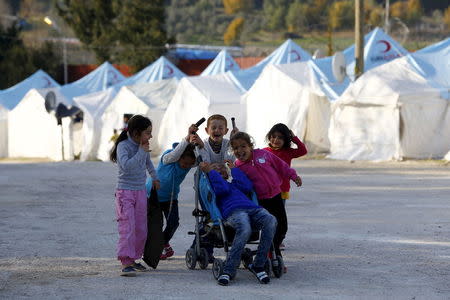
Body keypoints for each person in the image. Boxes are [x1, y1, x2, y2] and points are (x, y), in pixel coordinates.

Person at [199, 162, 277, 286]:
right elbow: (222, 189)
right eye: (214, 167)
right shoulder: (212, 185)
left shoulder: (233, 183)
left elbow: (248, 186)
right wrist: (210, 172)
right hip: (233, 211)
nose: (218, 168)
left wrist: (234, 170)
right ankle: (229, 269)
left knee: (271, 220)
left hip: (252, 208)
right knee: (245, 227)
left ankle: (258, 265)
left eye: (221, 167)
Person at [230, 131, 302, 263]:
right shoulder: (238, 166)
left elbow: (281, 166)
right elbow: (241, 186)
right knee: (269, 227)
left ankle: (271, 249)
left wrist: (293, 175)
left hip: (276, 196)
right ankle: (274, 256)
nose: (239, 150)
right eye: (235, 148)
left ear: (251, 146)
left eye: (243, 146)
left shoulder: (263, 154)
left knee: (282, 227)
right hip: (259, 201)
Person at [110, 115, 160, 277]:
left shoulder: (142, 145)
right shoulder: (124, 146)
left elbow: (147, 162)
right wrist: (141, 151)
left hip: (140, 192)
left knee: (140, 228)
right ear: (136, 133)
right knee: (128, 227)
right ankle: (126, 262)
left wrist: (154, 177)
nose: (150, 136)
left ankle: (133, 258)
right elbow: (127, 167)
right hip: (125, 193)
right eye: (148, 133)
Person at [145, 124, 198, 260]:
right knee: (156, 225)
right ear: (179, 157)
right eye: (184, 163)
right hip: (153, 196)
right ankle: (158, 246)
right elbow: (176, 153)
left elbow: (203, 160)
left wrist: (199, 143)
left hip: (171, 198)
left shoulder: (190, 162)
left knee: (174, 222)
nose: (186, 166)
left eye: (189, 164)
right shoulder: (168, 158)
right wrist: (187, 137)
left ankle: (162, 243)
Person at [264, 123, 307, 252]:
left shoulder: (288, 152)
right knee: (267, 215)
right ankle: (268, 237)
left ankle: (278, 240)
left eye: (280, 138)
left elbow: (303, 150)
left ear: (286, 140)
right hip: (266, 190)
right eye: (273, 136)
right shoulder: (264, 152)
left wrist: (294, 138)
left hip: (282, 190)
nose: (276, 140)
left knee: (279, 216)